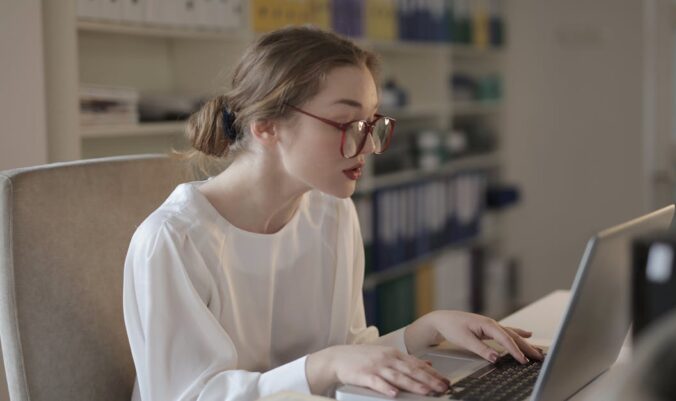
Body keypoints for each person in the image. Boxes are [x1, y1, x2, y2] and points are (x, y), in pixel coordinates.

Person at [123, 26, 543, 401]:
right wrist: (325, 365)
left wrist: (425, 331)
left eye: (371, 124)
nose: (369, 147)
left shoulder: (332, 211)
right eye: (345, 123)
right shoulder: (173, 239)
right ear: (266, 126)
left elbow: (348, 353)